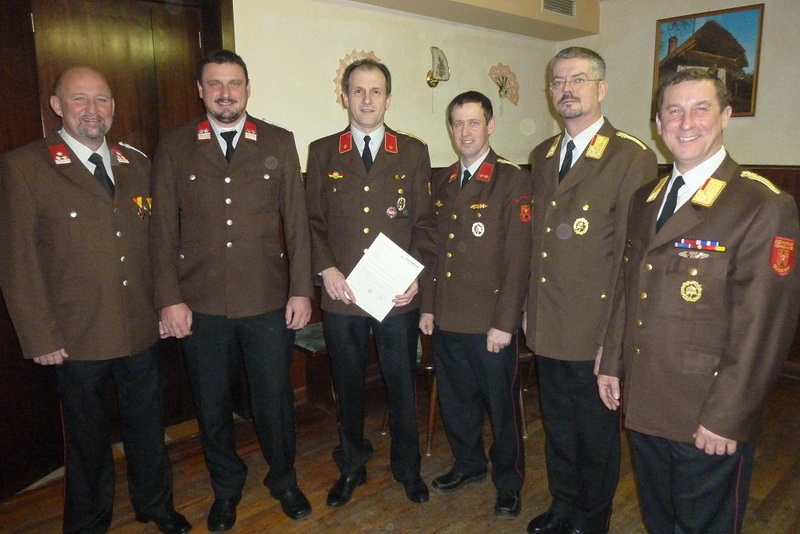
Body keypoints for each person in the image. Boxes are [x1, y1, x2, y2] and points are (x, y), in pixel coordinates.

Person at [598, 68, 800, 533]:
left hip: (707, 413)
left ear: (726, 116)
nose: (685, 122)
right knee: (661, 520)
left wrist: (729, 416)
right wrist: (612, 361)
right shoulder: (645, 200)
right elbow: (629, 289)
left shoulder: (760, 204)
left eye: (700, 108)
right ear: (657, 121)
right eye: (673, 110)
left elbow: (763, 328)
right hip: (647, 402)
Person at [0, 67, 191, 534]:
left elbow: (157, 246)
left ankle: (156, 504)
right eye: (80, 99)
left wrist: (167, 303)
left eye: (102, 100)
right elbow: (17, 261)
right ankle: (88, 522)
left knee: (149, 428)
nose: (93, 109)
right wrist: (40, 334)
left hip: (140, 327)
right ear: (57, 106)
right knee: (86, 441)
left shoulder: (137, 164)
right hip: (76, 335)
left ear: (113, 108)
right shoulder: (26, 166)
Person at [149, 50, 313, 531]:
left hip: (265, 300)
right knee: (212, 404)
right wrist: (167, 297)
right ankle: (226, 487)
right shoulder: (176, 144)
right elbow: (161, 230)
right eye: (215, 84)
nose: (225, 93)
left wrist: (301, 290)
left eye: (234, 83)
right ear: (200, 90)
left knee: (274, 399)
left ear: (247, 87)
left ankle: (283, 479)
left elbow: (297, 224)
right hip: (199, 305)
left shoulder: (279, 142)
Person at [525, 47, 657, 534]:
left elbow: (633, 258)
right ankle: (564, 508)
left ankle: (592, 519)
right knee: (558, 428)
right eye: (558, 81)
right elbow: (536, 244)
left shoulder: (630, 157)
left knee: (595, 434)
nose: (567, 89)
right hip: (547, 320)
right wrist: (526, 308)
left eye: (578, 80)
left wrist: (614, 339)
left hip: (594, 328)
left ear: (601, 89)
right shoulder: (542, 155)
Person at [305, 58, 436, 508]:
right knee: (350, 386)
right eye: (358, 91)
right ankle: (352, 467)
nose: (366, 100)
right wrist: (327, 269)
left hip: (396, 296)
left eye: (375, 91)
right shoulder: (323, 152)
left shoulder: (414, 152)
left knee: (401, 384)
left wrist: (415, 275)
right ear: (344, 96)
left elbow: (424, 225)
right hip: (343, 297)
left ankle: (408, 468)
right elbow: (313, 222)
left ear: (388, 98)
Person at [419, 90, 531, 520]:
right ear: (450, 129)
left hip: (490, 323)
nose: (465, 131)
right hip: (448, 318)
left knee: (502, 410)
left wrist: (505, 322)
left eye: (473, 122)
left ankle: (509, 482)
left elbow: (518, 256)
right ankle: (468, 464)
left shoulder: (512, 179)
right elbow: (434, 253)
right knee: (456, 402)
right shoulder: (444, 181)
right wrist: (429, 307)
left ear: (490, 125)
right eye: (458, 123)